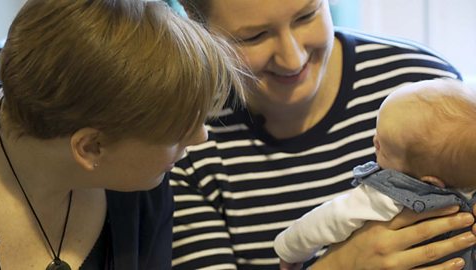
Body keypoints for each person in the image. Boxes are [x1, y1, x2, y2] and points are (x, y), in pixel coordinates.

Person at [170, 0, 476, 269]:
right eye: (255, 36)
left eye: (306, 15)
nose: (293, 59)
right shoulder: (182, 140)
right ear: (196, 24)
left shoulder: (421, 83)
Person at [0, 0, 246, 269]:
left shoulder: (143, 184)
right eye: (175, 132)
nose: (201, 137)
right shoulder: (140, 175)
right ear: (91, 147)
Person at [274, 78, 476, 270]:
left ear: (430, 182)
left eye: (383, 146)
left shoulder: (384, 197)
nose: (374, 141)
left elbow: (328, 220)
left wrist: (289, 248)